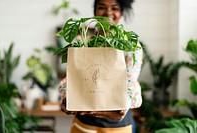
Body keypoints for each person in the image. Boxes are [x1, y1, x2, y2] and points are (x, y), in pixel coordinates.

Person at [59, 0, 143, 132]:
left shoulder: (129, 44)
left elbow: (130, 78)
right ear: (95, 12)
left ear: (121, 12)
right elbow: (74, 78)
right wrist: (66, 97)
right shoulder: (84, 42)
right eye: (102, 7)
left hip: (117, 125)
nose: (108, 12)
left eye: (114, 8)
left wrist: (124, 104)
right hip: (84, 122)